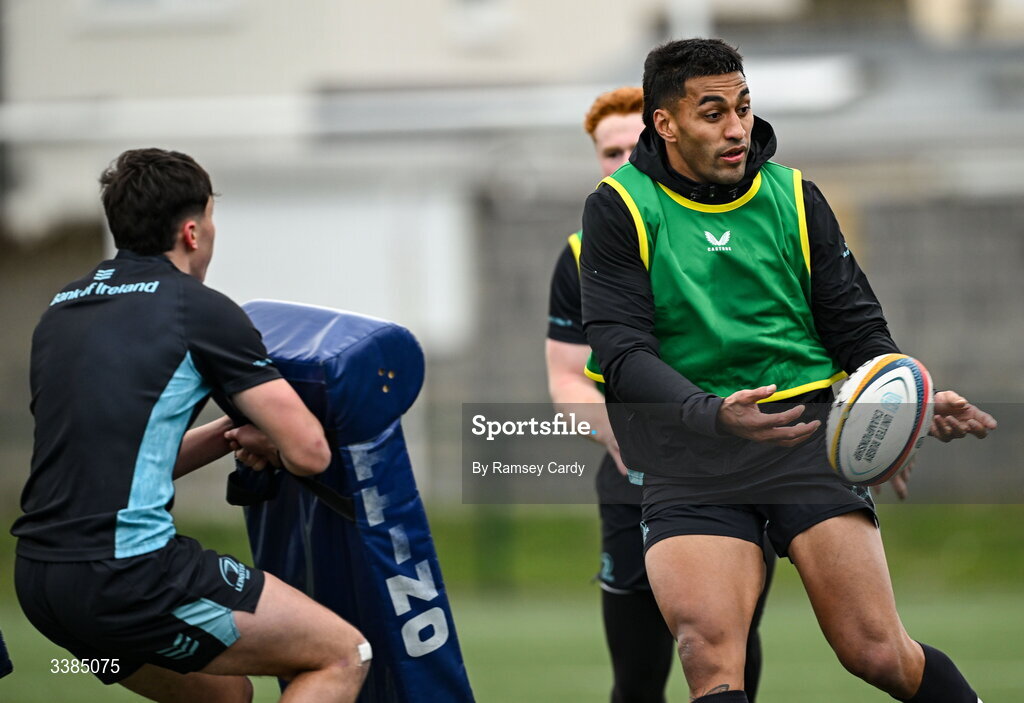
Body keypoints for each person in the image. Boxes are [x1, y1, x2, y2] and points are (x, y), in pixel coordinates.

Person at [579, 38, 997, 703]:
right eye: (712, 112)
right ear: (665, 123)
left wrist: (901, 400)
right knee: (709, 653)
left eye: (743, 107)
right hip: (689, 456)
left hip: (807, 441)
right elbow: (623, 353)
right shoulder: (620, 207)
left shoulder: (795, 196)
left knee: (877, 650)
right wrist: (712, 413)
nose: (737, 127)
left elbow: (856, 327)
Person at [12, 148, 370, 703]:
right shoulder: (199, 308)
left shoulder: (61, 309)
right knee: (342, 654)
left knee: (224, 697)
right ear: (192, 230)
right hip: (130, 578)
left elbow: (121, 460)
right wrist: (273, 432)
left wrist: (236, 432)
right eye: (211, 219)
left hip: (42, 587)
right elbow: (309, 453)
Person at [547, 86, 772, 703]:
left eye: (634, 145)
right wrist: (620, 439)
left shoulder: (731, 229)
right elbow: (566, 375)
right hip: (635, 480)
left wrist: (864, 430)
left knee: (729, 657)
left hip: (739, 470)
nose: (622, 161)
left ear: (666, 138)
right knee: (638, 678)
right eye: (608, 151)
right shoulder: (581, 253)